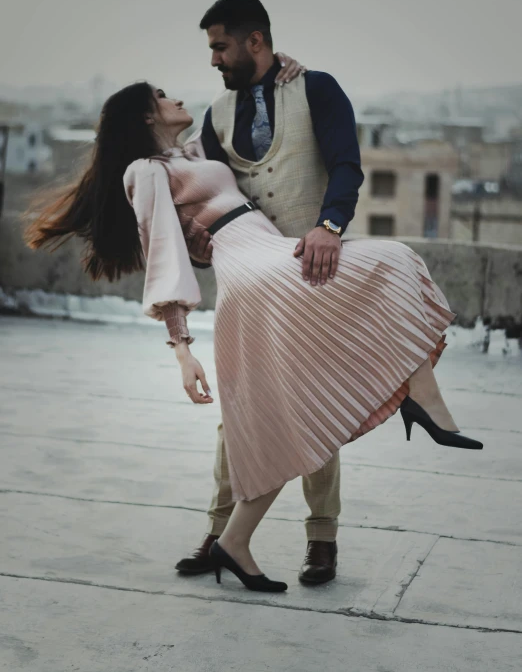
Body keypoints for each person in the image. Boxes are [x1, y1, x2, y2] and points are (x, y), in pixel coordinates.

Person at [25, 79, 483, 594]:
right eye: (161, 95)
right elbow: (162, 255)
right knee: (391, 262)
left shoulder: (189, 152)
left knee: (288, 411)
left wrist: (286, 68)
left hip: (268, 255)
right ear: (146, 116)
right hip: (252, 266)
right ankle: (421, 406)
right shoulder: (145, 172)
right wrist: (181, 350)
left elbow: (240, 138)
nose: (174, 96)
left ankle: (235, 541)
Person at [177, 0, 366, 585]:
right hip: (247, 282)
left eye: (219, 45)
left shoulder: (317, 89)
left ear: (254, 42)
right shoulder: (213, 114)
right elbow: (210, 199)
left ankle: (322, 539)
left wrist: (329, 226)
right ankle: (218, 533)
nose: (213, 59)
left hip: (314, 275)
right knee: (236, 404)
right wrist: (200, 246)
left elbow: (347, 166)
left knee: (317, 404)